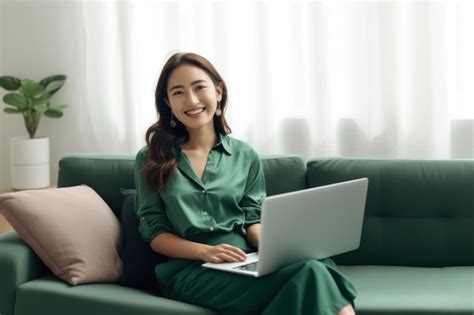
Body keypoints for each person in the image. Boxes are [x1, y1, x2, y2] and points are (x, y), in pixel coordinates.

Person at [134, 52, 357, 315]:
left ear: (218, 92)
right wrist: (206, 252)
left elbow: (252, 220)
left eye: (199, 87)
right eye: (178, 92)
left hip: (245, 260)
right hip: (191, 269)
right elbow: (156, 234)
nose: (191, 100)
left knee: (315, 264)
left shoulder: (245, 155)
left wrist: (278, 249)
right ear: (168, 102)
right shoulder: (151, 158)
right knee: (311, 275)